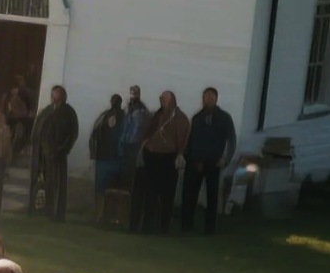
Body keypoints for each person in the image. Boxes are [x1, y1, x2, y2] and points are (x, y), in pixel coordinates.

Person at [136, 90, 190, 235]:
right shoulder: (156, 116)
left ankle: (163, 227)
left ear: (172, 100)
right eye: (162, 98)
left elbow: (183, 139)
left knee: (167, 195)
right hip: (152, 157)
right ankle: (148, 226)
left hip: (168, 159)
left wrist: (179, 154)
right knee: (150, 193)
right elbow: (146, 133)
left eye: (166, 98)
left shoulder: (180, 118)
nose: (163, 101)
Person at [183, 87, 236, 233]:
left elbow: (232, 140)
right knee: (190, 196)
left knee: (212, 197)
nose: (208, 100)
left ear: (216, 99)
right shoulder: (197, 118)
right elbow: (191, 141)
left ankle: (209, 228)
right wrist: (191, 159)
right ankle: (186, 226)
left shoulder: (224, 118)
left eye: (211, 97)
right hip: (196, 162)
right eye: (206, 97)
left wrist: (225, 159)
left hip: (214, 162)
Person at [29, 85, 78, 222]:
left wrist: (62, 149)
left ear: (63, 97)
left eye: (57, 96)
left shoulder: (68, 113)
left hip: (57, 155)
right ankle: (41, 209)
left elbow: (72, 134)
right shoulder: (47, 111)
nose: (54, 98)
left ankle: (56, 213)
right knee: (44, 184)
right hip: (42, 154)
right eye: (53, 96)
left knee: (57, 184)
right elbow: (38, 128)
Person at [89, 93, 127, 203]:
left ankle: (107, 213)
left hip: (115, 159)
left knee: (111, 188)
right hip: (107, 158)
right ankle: (102, 213)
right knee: (105, 188)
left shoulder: (122, 118)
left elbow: (94, 136)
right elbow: (94, 136)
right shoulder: (106, 117)